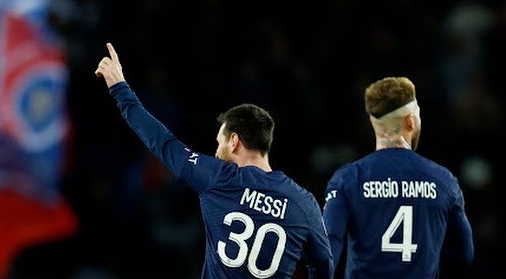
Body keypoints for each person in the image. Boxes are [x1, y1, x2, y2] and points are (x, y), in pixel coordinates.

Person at [95, 42, 333, 278]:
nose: (217, 152)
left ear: (234, 141)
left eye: (220, 142)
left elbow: (162, 142)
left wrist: (120, 88)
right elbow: (324, 267)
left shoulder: (218, 177)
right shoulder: (304, 203)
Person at [322, 76, 474, 278]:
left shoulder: (348, 179)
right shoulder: (444, 181)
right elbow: (465, 254)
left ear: (372, 122)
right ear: (411, 120)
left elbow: (327, 249)